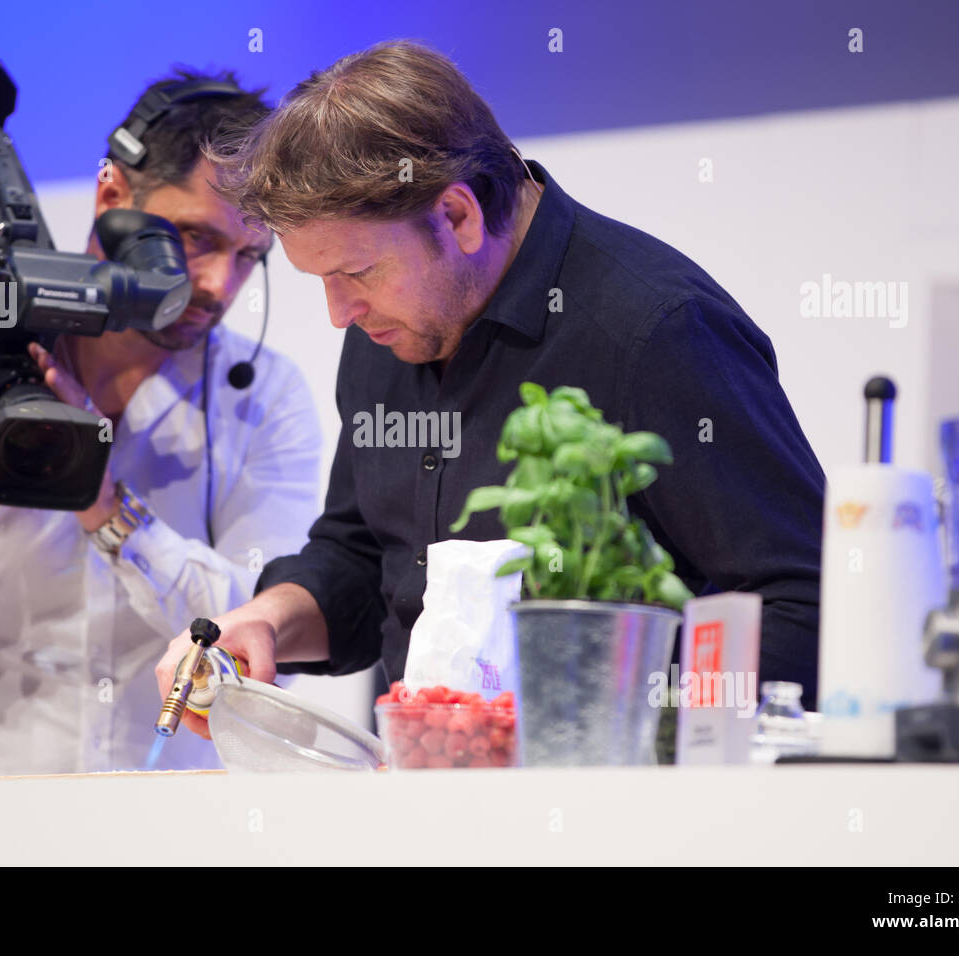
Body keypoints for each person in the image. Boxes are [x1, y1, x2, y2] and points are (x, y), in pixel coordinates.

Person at [157, 40, 826, 734]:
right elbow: (364, 561)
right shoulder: (383, 329)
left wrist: (625, 727)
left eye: (354, 275)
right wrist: (266, 620)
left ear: (457, 217)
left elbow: (804, 599)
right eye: (320, 281)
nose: (338, 316)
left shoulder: (655, 329)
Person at [0, 69, 321, 777]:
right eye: (194, 238)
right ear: (111, 200)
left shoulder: (263, 396)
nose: (222, 286)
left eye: (250, 255)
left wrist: (104, 505)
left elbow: (257, 645)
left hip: (161, 836)